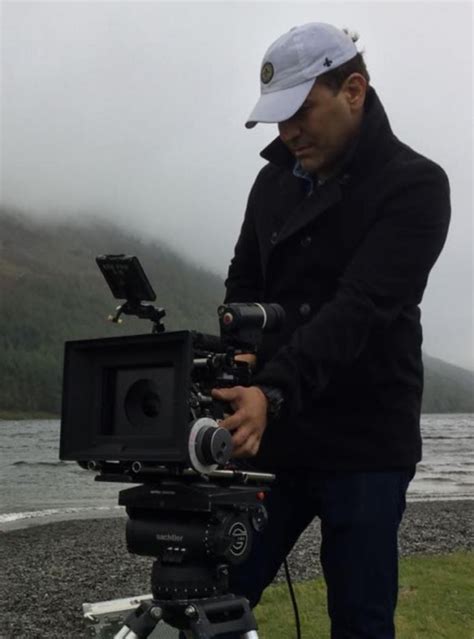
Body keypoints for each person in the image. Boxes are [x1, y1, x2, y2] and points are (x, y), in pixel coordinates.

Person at [208, 22, 450, 639]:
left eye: (301, 111)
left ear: (354, 91)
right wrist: (239, 360)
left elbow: (360, 308)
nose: (288, 131)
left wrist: (271, 391)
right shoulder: (272, 182)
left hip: (366, 441)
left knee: (361, 620)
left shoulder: (417, 184)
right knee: (214, 595)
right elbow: (243, 280)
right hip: (274, 434)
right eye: (278, 118)